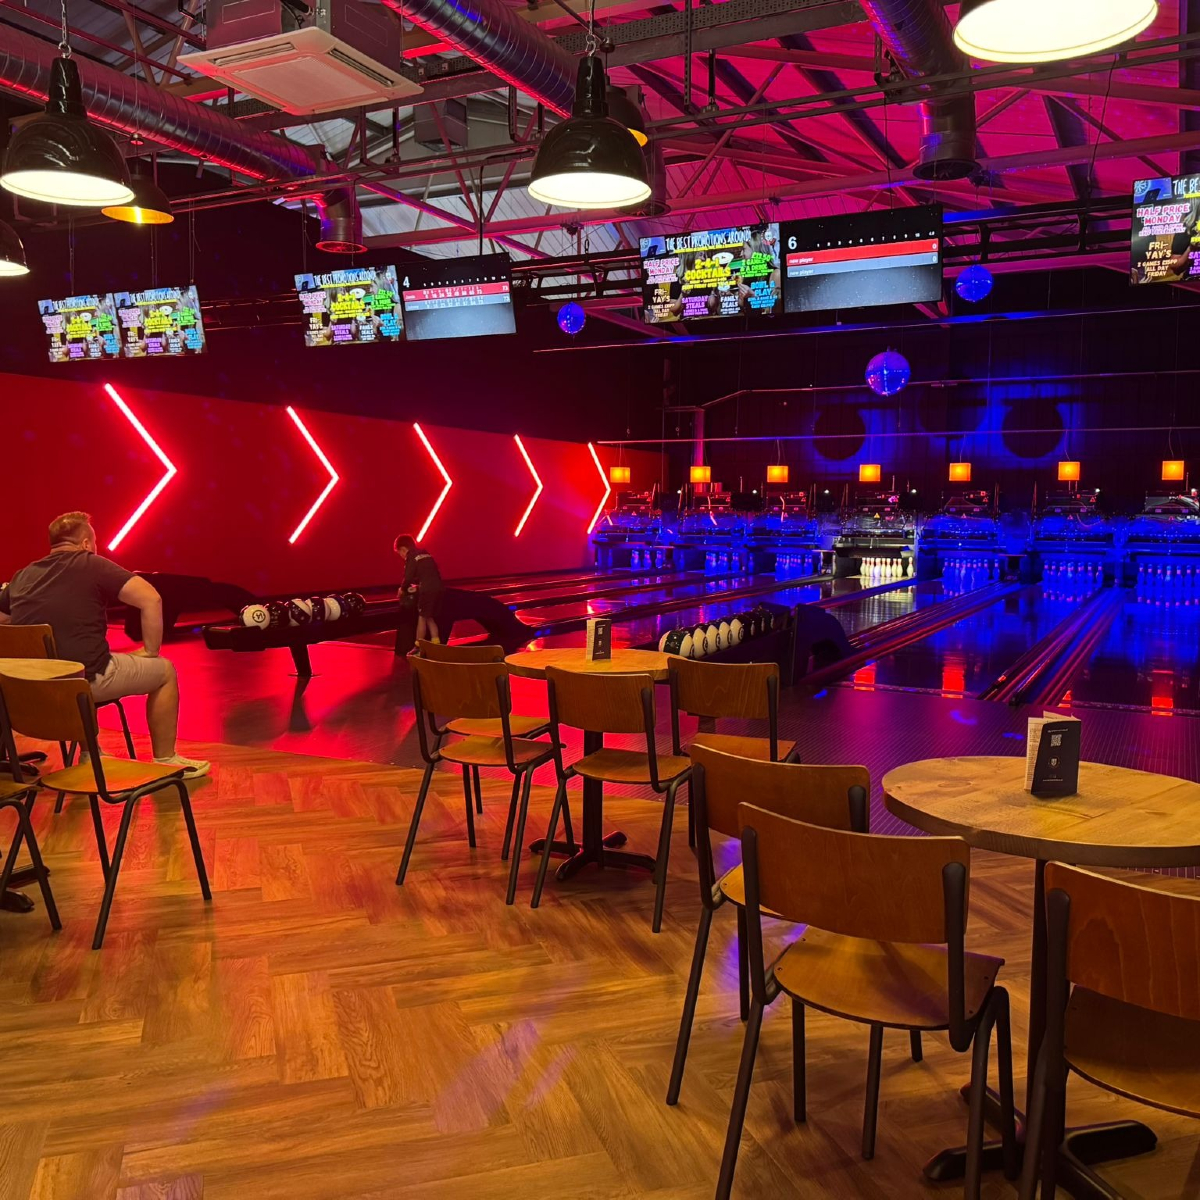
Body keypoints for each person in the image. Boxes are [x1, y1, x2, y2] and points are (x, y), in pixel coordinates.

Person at [0, 512, 209, 778]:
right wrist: (150, 651)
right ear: (86, 543)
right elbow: (151, 598)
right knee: (164, 671)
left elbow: (2, 621)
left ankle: (91, 753)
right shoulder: (92, 564)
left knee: (70, 668)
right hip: (84, 681)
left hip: (29, 689)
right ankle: (167, 759)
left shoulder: (22, 576)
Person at [394, 534, 444, 644]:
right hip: (439, 588)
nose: (401, 556)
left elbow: (408, 577)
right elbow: (430, 573)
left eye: (400, 553)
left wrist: (402, 589)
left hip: (427, 590)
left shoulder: (411, 556)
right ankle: (436, 641)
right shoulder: (425, 553)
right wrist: (418, 587)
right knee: (429, 616)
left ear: (403, 549)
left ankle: (418, 645)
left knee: (421, 618)